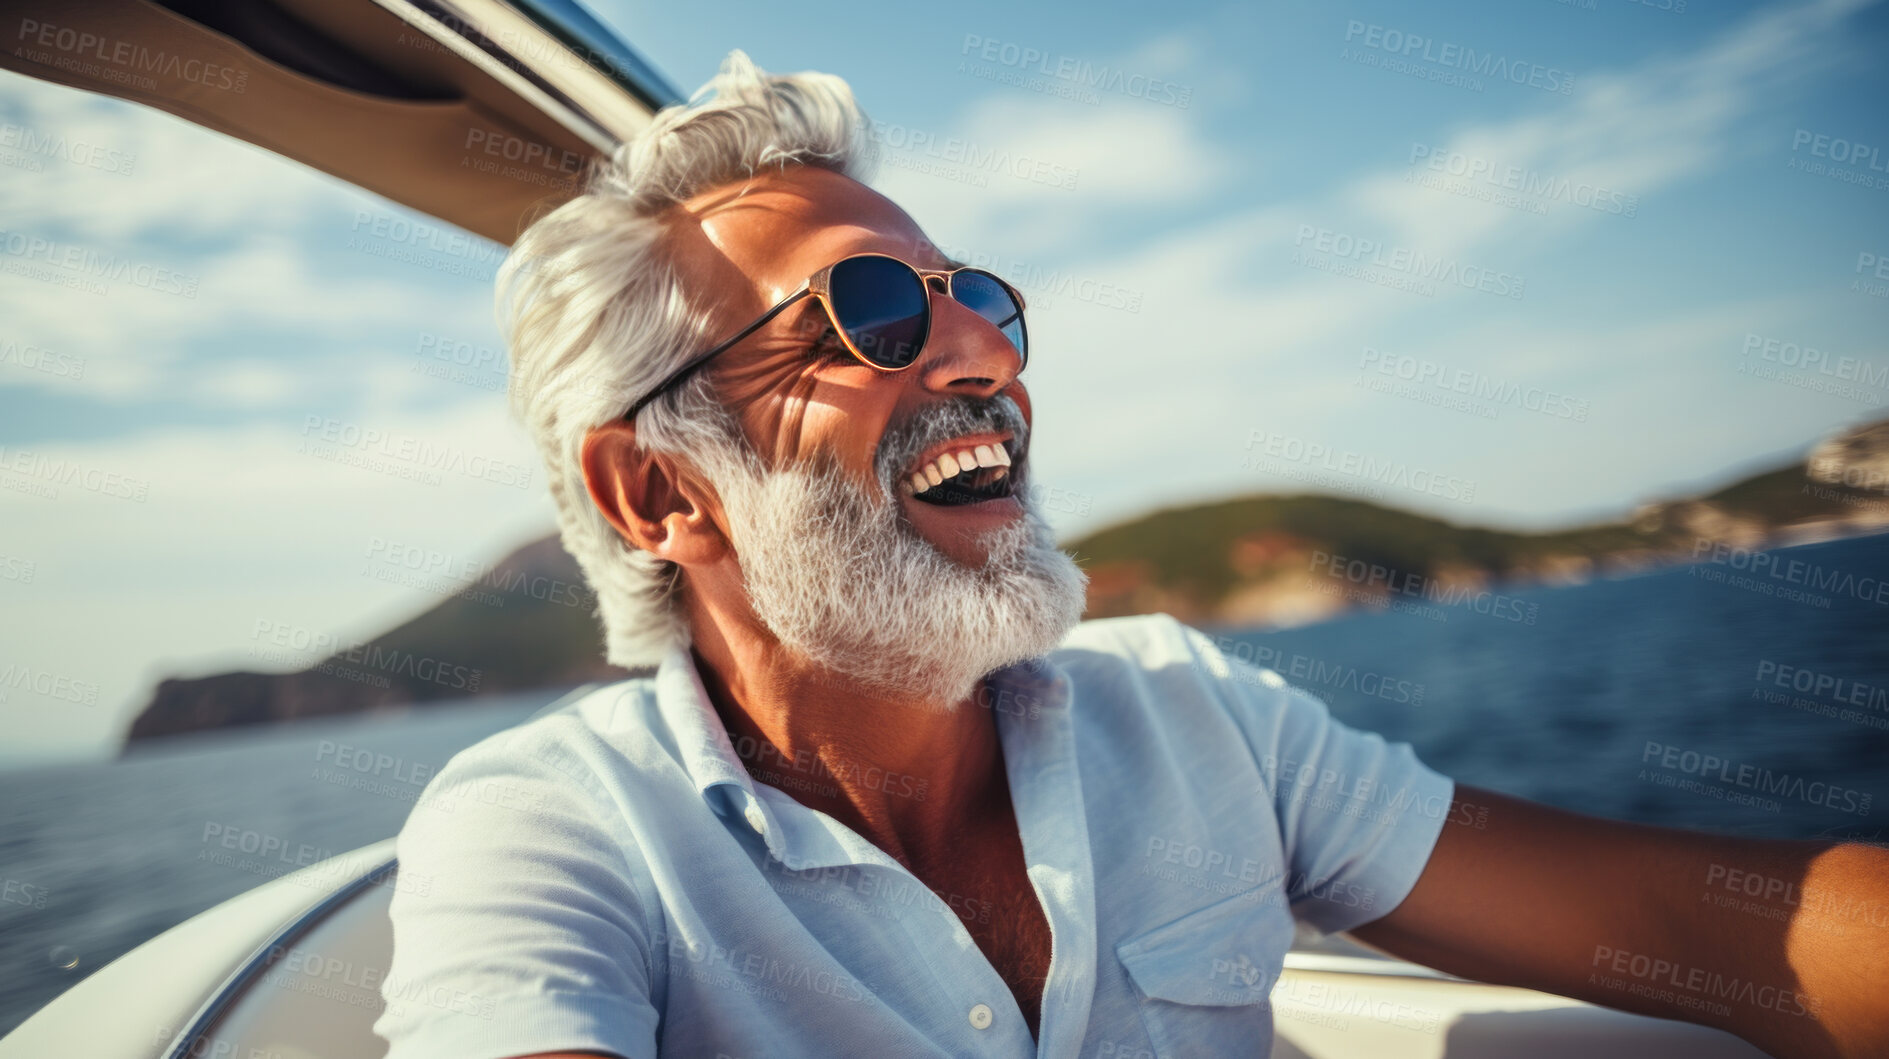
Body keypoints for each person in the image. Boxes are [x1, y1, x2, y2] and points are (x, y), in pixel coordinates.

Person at [373, 52, 1889, 1059]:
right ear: (658, 495)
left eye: (975, 299)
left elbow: (1693, 922)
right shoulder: (549, 838)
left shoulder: (1187, 712)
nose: (980, 350)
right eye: (872, 317)